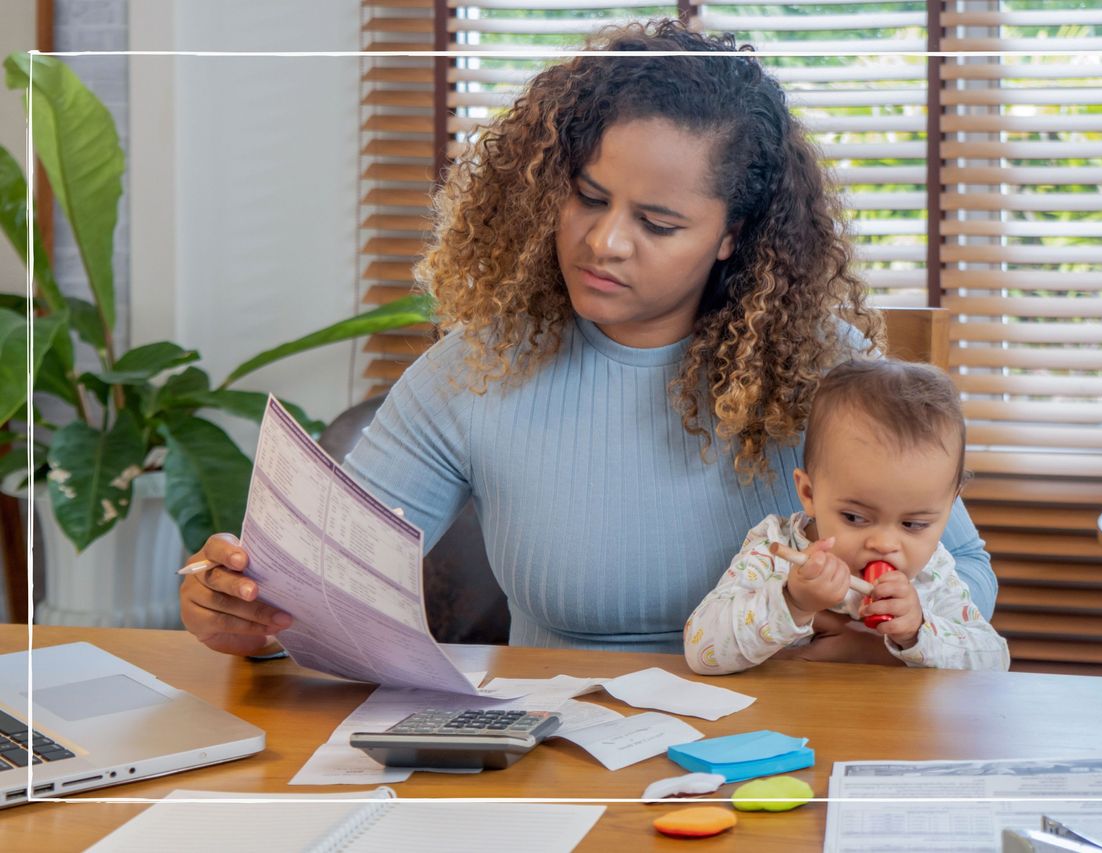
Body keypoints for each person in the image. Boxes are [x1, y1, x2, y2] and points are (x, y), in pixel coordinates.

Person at [178, 19, 997, 660]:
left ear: (731, 234)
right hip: (561, 753)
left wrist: (870, 633)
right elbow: (319, 585)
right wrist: (243, 609)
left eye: (658, 221)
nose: (604, 242)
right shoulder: (476, 367)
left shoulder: (828, 368)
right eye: (587, 197)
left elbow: (970, 583)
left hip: (790, 739)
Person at [684, 358, 1010, 674]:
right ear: (809, 494)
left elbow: (994, 661)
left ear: (950, 507)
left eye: (913, 524)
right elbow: (702, 653)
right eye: (854, 517)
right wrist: (793, 602)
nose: (883, 544)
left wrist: (917, 630)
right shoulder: (775, 552)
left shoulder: (932, 573)